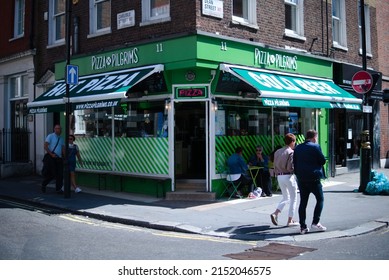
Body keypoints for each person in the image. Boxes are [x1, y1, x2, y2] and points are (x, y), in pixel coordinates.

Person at [293, 129, 327, 234]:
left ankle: (303, 227)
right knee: (320, 199)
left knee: (303, 202)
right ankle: (315, 222)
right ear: (313, 137)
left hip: (301, 178)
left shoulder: (297, 147)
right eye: (316, 138)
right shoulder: (315, 146)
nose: (316, 140)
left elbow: (295, 161)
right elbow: (322, 160)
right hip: (313, 177)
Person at [270, 133, 299, 227]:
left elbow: (274, 164)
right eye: (294, 141)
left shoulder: (277, 151)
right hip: (288, 176)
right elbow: (291, 167)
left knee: (286, 197)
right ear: (292, 142)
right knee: (294, 198)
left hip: (279, 176)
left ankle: (275, 213)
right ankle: (290, 220)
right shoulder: (291, 152)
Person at [41, 124, 65, 193]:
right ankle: (44, 184)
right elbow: (45, 146)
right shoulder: (50, 136)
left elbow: (63, 149)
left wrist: (65, 157)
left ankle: (58, 189)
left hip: (59, 158)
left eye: (59, 129)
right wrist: (51, 154)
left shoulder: (61, 138)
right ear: (54, 129)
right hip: (52, 157)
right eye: (57, 128)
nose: (58, 130)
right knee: (52, 174)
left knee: (60, 174)